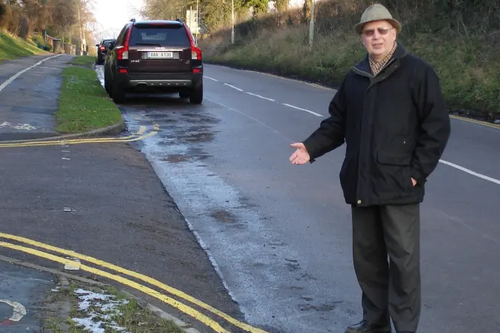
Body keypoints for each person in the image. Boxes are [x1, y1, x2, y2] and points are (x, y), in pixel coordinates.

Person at [289, 3, 451, 333]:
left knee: (403, 264)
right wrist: (311, 146)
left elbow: (436, 128)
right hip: (361, 183)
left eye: (382, 31)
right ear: (362, 38)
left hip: (400, 185)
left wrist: (416, 172)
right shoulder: (355, 77)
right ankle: (375, 324)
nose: (376, 37)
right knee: (368, 262)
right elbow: (337, 123)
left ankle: (404, 327)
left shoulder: (418, 73)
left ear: (394, 33)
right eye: (369, 32)